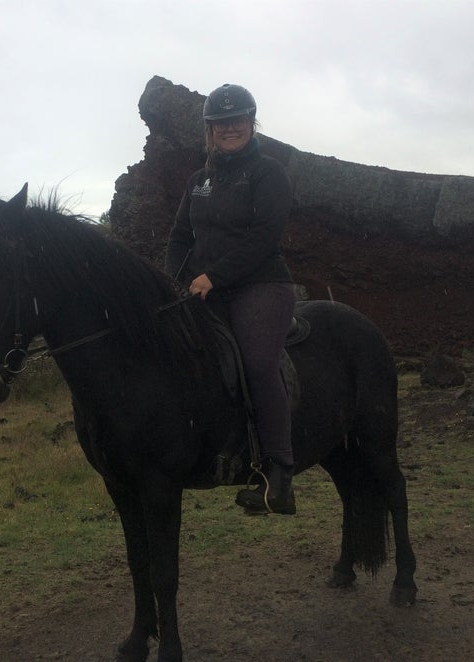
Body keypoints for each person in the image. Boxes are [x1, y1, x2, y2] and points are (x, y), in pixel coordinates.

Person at [165, 83, 297, 515]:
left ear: (251, 123)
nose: (229, 128)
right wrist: (174, 280)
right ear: (209, 130)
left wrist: (213, 276)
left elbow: (263, 238)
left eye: (237, 120)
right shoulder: (198, 181)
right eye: (220, 123)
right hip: (204, 287)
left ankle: (277, 473)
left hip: (260, 285)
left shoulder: (267, 173)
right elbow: (181, 237)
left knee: (257, 363)